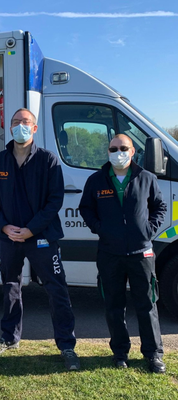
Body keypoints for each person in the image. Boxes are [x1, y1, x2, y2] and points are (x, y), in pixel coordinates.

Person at [0, 108, 80, 371]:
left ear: (34, 128)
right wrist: (4, 226)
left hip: (42, 237)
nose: (20, 126)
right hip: (9, 238)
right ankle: (9, 337)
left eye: (25, 122)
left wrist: (31, 229)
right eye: (15, 122)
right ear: (10, 127)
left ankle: (66, 345)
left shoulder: (48, 160)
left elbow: (54, 200)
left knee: (56, 289)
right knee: (10, 287)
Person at [78, 134, 167, 373]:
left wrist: (148, 230)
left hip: (141, 253)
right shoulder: (96, 180)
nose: (118, 152)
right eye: (113, 148)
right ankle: (120, 353)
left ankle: (153, 354)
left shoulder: (146, 177)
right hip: (110, 253)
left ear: (133, 151)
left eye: (123, 148)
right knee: (114, 306)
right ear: (108, 152)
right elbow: (85, 208)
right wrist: (100, 228)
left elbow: (159, 207)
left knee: (147, 305)